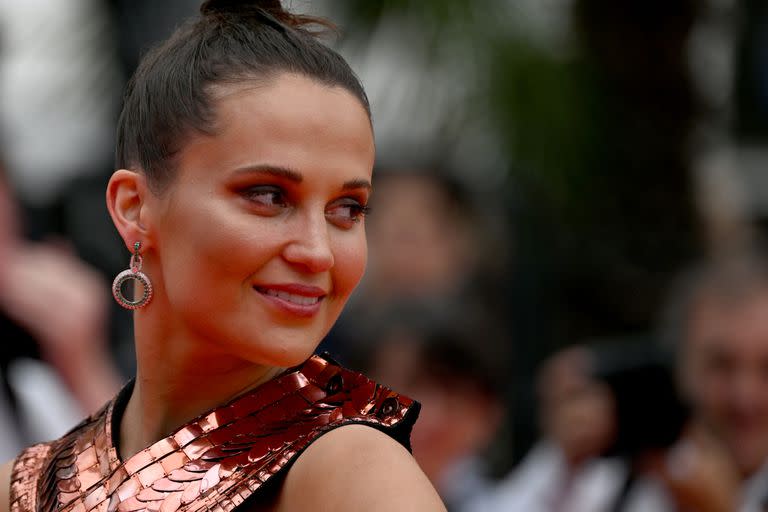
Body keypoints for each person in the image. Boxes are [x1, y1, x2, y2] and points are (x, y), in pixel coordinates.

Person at [0, 1, 446, 511]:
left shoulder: (353, 474)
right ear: (135, 207)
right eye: (268, 196)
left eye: (348, 209)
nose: (318, 252)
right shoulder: (24, 487)